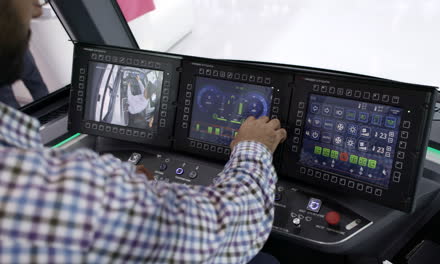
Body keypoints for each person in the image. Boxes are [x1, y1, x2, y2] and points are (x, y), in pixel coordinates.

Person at [0, 0, 287, 263]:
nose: (37, 10)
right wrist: (253, 147)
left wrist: (129, 196)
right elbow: (226, 229)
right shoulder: (67, 197)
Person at [0, 0, 48, 108]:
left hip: (15, 38)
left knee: (33, 80)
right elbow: (37, 11)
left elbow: (37, 10)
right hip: (13, 37)